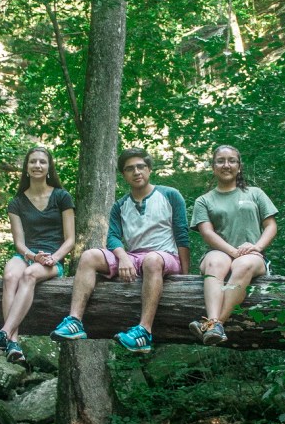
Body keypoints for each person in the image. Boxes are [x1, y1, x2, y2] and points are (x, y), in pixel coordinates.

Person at [51, 147, 190, 353]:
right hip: (134, 257)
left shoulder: (170, 195)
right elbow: (113, 237)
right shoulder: (120, 205)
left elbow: (182, 235)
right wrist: (123, 257)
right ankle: (74, 322)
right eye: (129, 169)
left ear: (149, 169)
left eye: (141, 166)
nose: (136, 172)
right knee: (89, 256)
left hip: (164, 256)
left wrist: (186, 276)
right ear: (123, 174)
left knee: (151, 259)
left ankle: (144, 331)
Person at [0, 146, 75, 366]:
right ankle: (14, 342)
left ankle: (3, 334)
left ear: (49, 167)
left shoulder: (62, 197)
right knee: (10, 276)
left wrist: (54, 258)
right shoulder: (16, 202)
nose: (37, 165)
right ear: (26, 168)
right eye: (33, 162)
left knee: (29, 275)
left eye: (42, 162)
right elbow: (19, 243)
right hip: (27, 254)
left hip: (52, 259)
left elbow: (70, 240)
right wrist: (31, 254)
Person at [189, 144, 278, 344]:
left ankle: (216, 324)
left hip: (252, 254)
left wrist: (257, 247)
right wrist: (232, 251)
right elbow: (207, 232)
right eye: (220, 161)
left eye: (231, 161)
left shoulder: (255, 193)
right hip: (220, 252)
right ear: (213, 166)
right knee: (215, 263)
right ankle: (213, 322)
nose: (226, 165)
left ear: (239, 166)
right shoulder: (204, 200)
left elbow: (271, 225)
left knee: (243, 264)